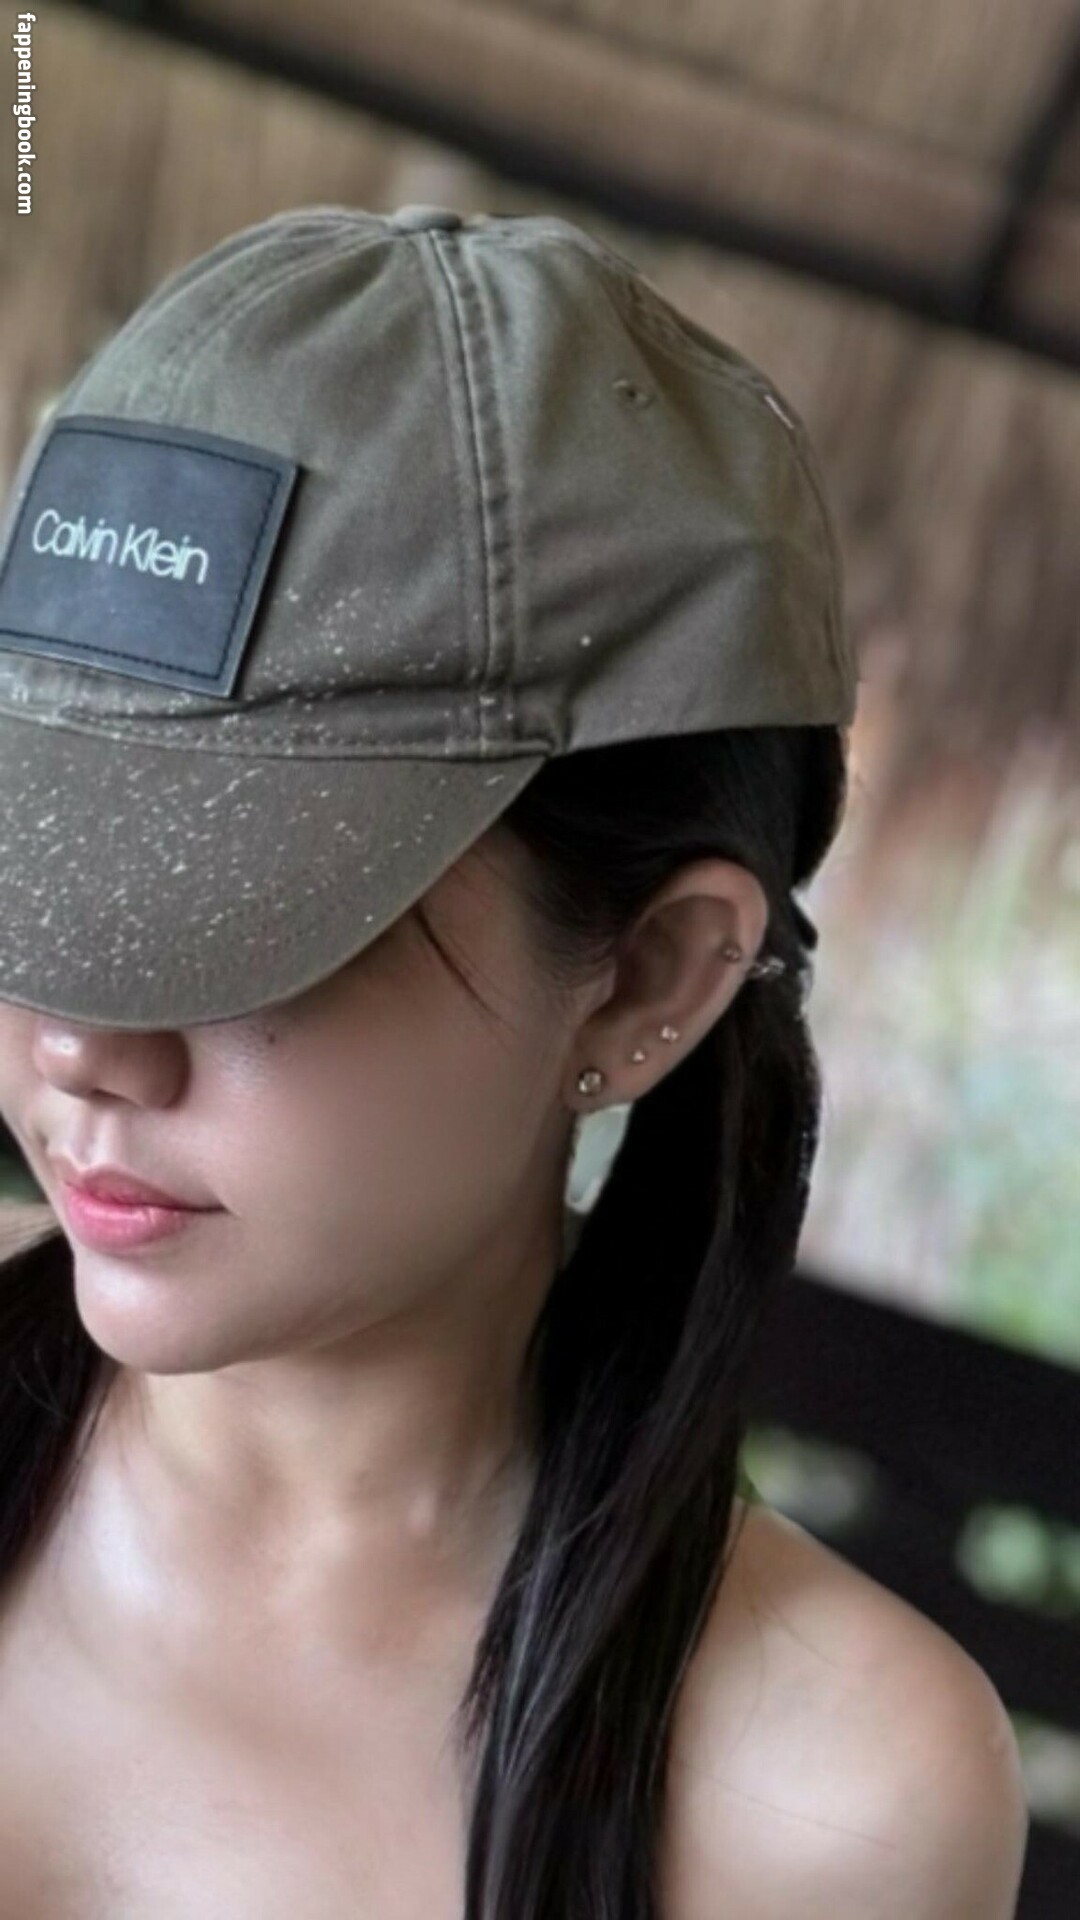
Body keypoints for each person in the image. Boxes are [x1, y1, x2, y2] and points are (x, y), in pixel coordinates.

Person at [0, 204, 1027, 1917]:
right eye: (38, 873)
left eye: (248, 925)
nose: (83, 1045)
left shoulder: (827, 1806)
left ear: (646, 976)